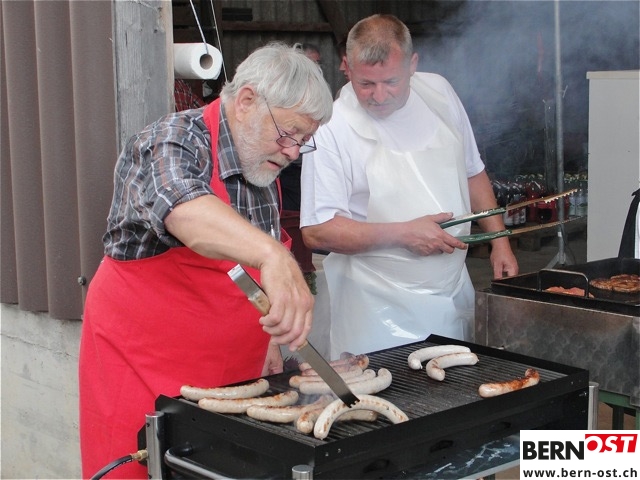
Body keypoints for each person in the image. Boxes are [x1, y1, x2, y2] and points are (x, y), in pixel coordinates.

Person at [79, 42, 333, 479]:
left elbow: (243, 273)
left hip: (234, 378)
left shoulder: (261, 161)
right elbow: (185, 210)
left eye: (303, 142)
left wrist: (270, 340)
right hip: (142, 368)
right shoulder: (171, 140)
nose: (293, 152)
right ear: (247, 100)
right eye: (288, 134)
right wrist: (273, 255)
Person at [299, 14, 518, 358]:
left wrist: (499, 241)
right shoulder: (331, 128)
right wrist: (404, 234)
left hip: (451, 289)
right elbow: (317, 231)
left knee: (455, 381)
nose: (379, 96)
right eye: (365, 84)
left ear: (412, 65)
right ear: (347, 67)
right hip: (374, 306)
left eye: (391, 81)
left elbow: (472, 172)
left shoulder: (439, 93)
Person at [279, 42, 324, 293]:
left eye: (318, 63)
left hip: (306, 167)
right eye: (310, 63)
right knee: (290, 218)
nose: (315, 68)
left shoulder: (322, 96)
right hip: (286, 171)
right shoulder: (286, 94)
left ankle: (304, 274)